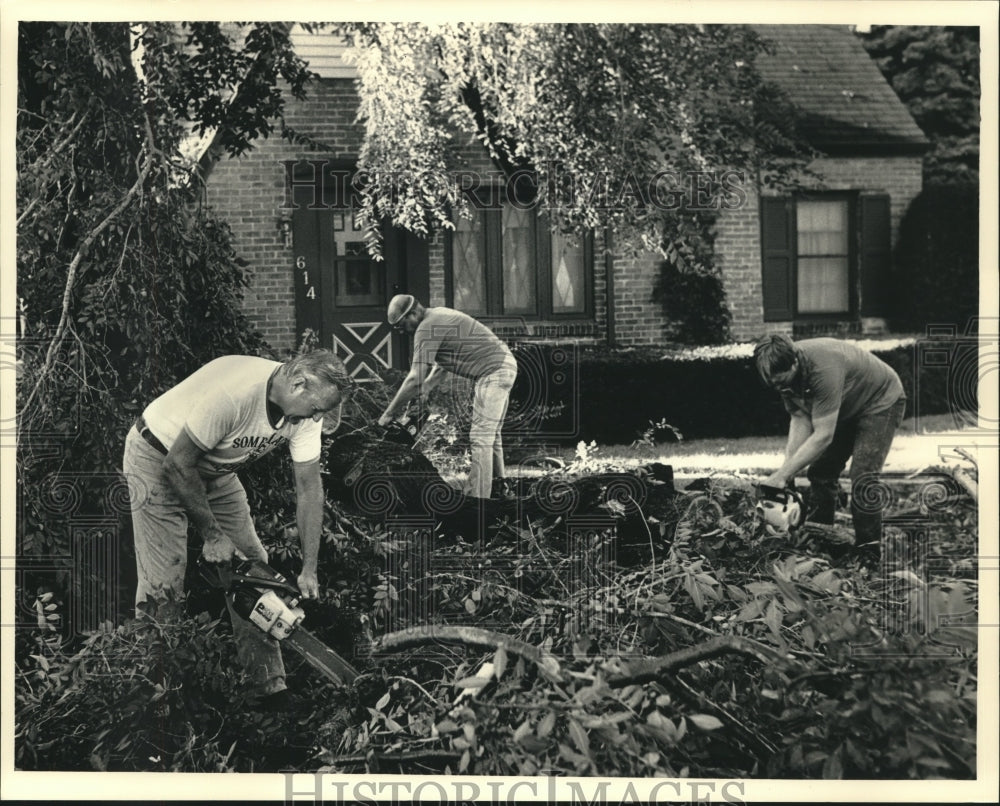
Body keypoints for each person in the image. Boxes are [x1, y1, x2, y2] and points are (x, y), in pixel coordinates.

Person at [122, 349, 350, 708]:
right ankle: (155, 694)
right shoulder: (236, 393)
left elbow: (309, 489)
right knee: (164, 580)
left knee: (254, 567)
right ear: (298, 383)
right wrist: (213, 536)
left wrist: (309, 568)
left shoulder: (306, 411)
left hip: (213, 469)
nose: (318, 417)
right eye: (317, 408)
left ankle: (267, 688)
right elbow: (178, 464)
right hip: (159, 458)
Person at [753, 334, 906, 551]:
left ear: (795, 362)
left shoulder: (822, 370)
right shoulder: (784, 373)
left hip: (880, 402)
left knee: (863, 476)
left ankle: (868, 552)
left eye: (781, 380)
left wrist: (782, 475)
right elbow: (800, 417)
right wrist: (788, 471)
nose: (777, 385)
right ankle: (821, 540)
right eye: (771, 381)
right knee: (822, 471)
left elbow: (823, 436)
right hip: (847, 405)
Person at [378, 294, 518, 500]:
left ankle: (477, 501)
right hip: (504, 364)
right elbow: (441, 367)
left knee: (480, 438)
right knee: (491, 437)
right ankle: (502, 489)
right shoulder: (438, 315)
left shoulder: (426, 328)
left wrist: (389, 414)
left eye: (401, 325)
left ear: (414, 313)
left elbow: (414, 377)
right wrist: (425, 389)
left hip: (494, 371)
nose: (401, 331)